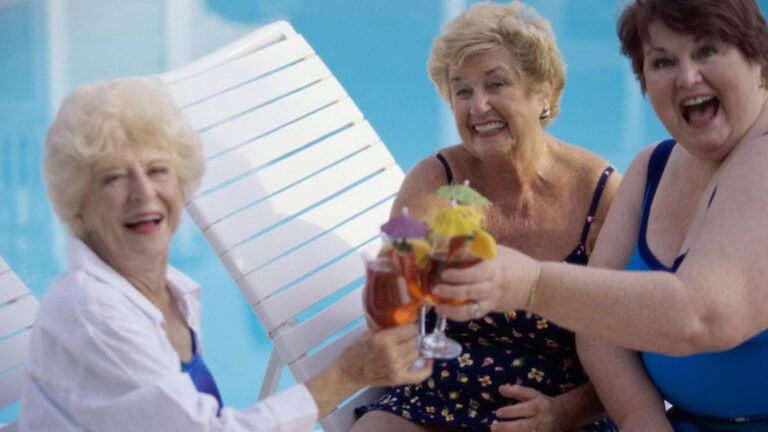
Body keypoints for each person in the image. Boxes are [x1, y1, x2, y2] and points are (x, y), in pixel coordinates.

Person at [18, 78, 432, 431]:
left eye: (158, 170)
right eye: (113, 178)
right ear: (79, 204)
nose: (144, 193)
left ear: (181, 184)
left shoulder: (166, 288)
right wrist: (345, 375)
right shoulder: (92, 312)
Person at [430, 0, 768, 430]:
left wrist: (531, 284)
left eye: (707, 51)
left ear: (758, 58)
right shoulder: (653, 167)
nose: (687, 77)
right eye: (662, 61)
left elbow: (698, 317)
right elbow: (598, 331)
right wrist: (640, 417)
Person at [353, 2, 620, 431]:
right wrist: (394, 303)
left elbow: (638, 342)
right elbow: (392, 312)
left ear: (543, 93)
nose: (478, 108)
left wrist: (565, 411)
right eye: (462, 91)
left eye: (496, 85)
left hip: (554, 411)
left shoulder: (600, 194)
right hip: (437, 394)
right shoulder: (437, 180)